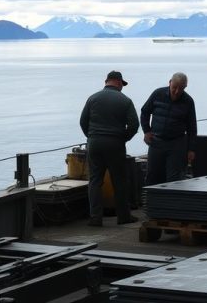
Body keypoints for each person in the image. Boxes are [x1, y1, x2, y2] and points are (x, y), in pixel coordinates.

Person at [79, 70, 140, 227]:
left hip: (94, 143)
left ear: (106, 81)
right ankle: (123, 216)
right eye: (122, 85)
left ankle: (95, 218)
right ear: (119, 83)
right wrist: (123, 138)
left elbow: (82, 121)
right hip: (115, 144)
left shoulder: (92, 98)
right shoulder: (125, 100)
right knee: (119, 181)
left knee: (94, 181)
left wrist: (91, 136)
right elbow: (134, 125)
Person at [140, 72, 197, 185]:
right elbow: (145, 112)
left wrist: (191, 149)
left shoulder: (188, 101)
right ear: (170, 83)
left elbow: (192, 127)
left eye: (180, 89)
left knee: (174, 178)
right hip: (156, 141)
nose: (176, 91)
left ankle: (172, 202)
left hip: (177, 144)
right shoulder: (158, 94)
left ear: (185, 87)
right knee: (152, 175)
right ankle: (153, 202)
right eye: (174, 87)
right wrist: (146, 131)